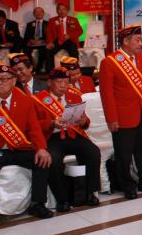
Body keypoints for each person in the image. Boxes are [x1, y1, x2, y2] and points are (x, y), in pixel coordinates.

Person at [0, 64, 53, 235]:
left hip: (18, 148)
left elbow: (33, 128)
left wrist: (41, 148)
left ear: (14, 81)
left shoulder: (25, 100)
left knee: (42, 160)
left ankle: (37, 203)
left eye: (3, 79)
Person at [98, 25, 142, 200]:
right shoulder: (110, 62)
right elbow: (106, 94)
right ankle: (127, 185)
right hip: (122, 116)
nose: (141, 43)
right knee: (123, 153)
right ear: (126, 41)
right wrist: (111, 118)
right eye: (137, 40)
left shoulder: (141, 59)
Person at [34, 67, 100, 211]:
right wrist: (51, 123)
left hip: (73, 134)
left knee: (93, 152)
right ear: (49, 82)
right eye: (59, 82)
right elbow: (34, 125)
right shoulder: (38, 99)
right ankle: (62, 199)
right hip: (53, 137)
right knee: (53, 160)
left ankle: (90, 193)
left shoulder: (74, 96)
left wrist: (83, 121)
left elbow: (85, 121)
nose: (63, 86)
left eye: (66, 82)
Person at [46, 3, 82, 68]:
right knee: (49, 51)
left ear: (67, 11)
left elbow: (80, 31)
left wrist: (69, 35)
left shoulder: (73, 20)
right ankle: (51, 71)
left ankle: (75, 69)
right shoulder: (52, 20)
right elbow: (49, 32)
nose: (62, 11)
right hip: (57, 40)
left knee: (73, 50)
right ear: (57, 11)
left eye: (64, 9)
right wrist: (50, 42)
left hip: (69, 40)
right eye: (59, 9)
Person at [23, 6, 49, 74]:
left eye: (40, 12)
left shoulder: (48, 24)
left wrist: (43, 41)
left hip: (43, 43)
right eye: (36, 12)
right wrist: (30, 40)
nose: (38, 13)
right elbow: (26, 36)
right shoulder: (29, 24)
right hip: (32, 43)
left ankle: (38, 68)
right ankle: (31, 67)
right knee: (26, 50)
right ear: (34, 14)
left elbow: (50, 36)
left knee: (43, 51)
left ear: (43, 13)